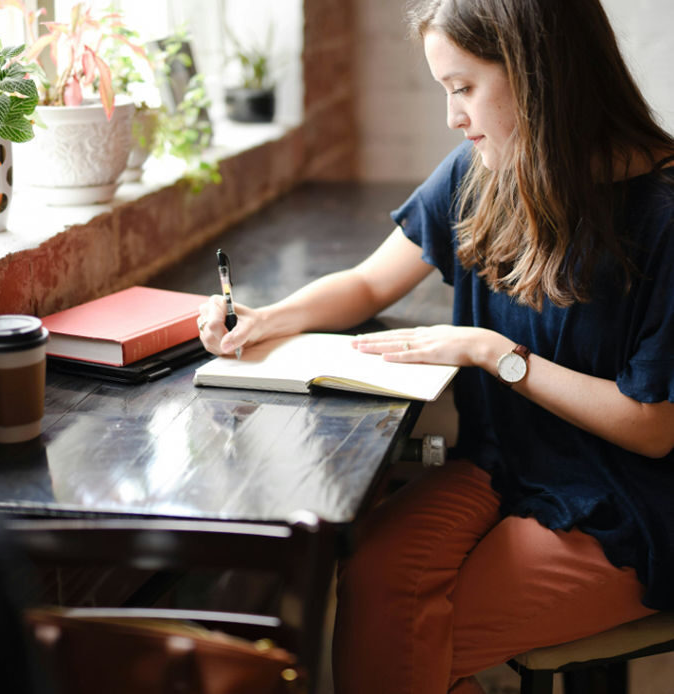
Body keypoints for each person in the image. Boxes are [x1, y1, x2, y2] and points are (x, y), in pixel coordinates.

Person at [198, 0, 674, 690]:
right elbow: (368, 282)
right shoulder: (482, 171)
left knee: (400, 639)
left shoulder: (662, 214)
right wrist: (268, 318)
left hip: (632, 504)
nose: (453, 117)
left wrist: (492, 351)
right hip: (505, 465)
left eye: (463, 89)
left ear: (539, 76)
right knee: (371, 579)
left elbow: (654, 428)